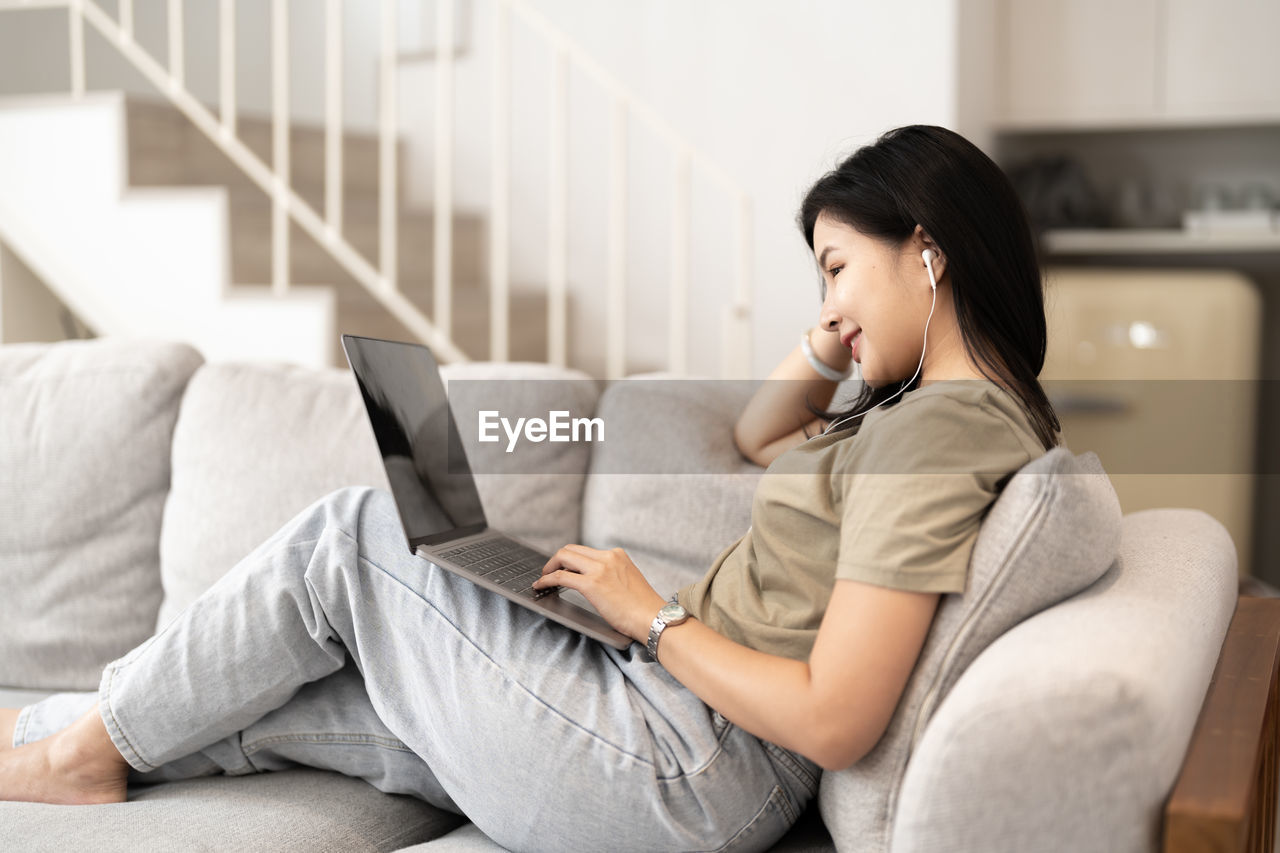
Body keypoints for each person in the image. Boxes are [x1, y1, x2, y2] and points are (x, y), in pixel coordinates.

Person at [0, 124, 1060, 852]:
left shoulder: (941, 435)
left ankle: (77, 746)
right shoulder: (925, 416)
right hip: (674, 722)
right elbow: (758, 433)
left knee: (352, 534)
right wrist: (829, 335)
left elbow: (833, 719)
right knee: (321, 682)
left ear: (924, 250)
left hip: (689, 764)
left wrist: (651, 617)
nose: (827, 297)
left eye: (834, 266)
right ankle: (50, 737)